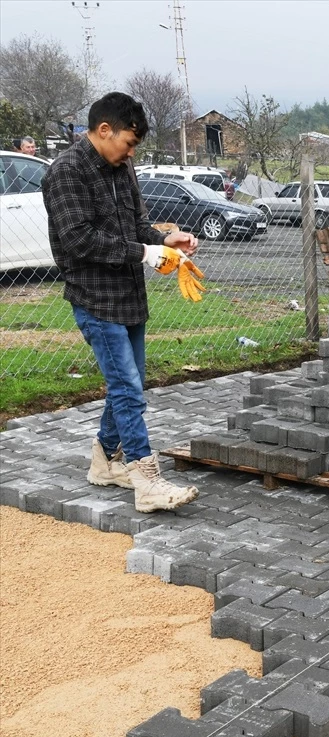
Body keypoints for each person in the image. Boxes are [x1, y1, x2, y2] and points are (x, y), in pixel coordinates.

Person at [42, 92, 201, 513]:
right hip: (95, 299)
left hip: (129, 296)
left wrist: (166, 240)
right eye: (129, 143)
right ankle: (145, 479)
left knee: (128, 385)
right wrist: (146, 254)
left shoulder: (121, 166)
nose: (131, 152)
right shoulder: (65, 173)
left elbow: (134, 225)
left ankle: (104, 461)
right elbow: (78, 239)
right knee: (127, 388)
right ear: (104, 129)